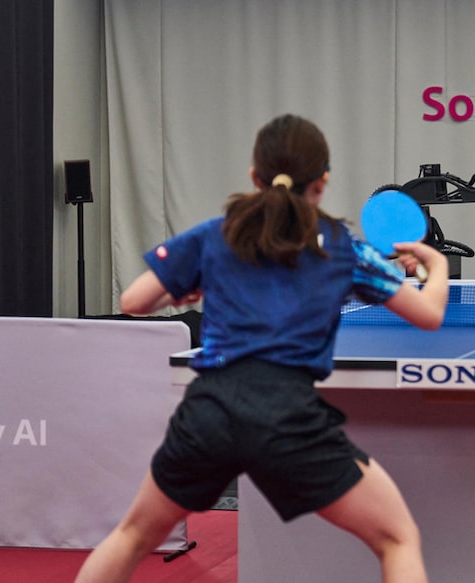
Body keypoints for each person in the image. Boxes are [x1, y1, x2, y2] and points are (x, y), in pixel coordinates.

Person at [74, 113, 448, 583]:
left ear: (256, 177)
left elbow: (133, 301)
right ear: (323, 182)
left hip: (209, 414)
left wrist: (181, 289)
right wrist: (436, 267)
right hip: (289, 421)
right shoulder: (343, 249)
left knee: (131, 536)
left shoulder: (217, 233)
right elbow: (428, 315)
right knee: (396, 539)